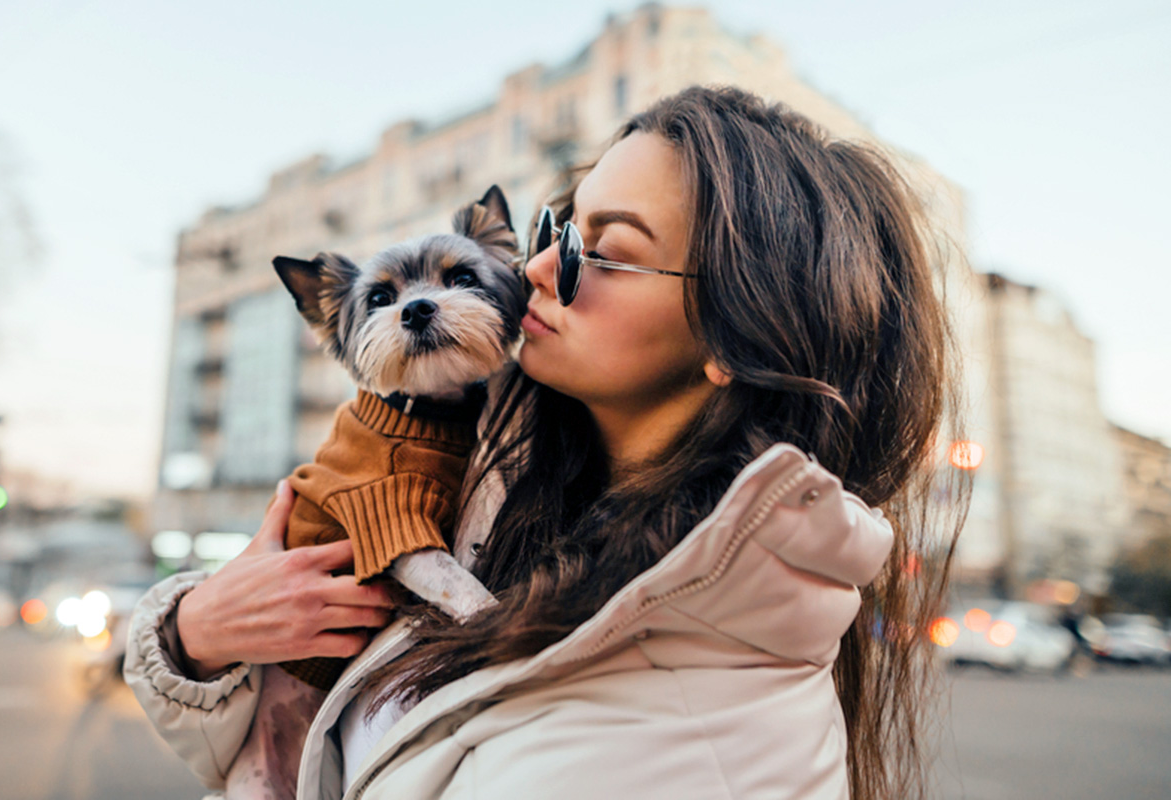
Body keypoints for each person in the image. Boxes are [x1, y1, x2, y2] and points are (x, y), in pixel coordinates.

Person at [125, 84, 968, 799]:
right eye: (558, 235)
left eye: (607, 252)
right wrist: (193, 634)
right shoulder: (506, 473)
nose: (532, 271)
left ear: (734, 334)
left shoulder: (692, 721)